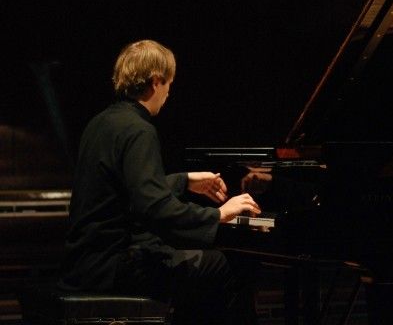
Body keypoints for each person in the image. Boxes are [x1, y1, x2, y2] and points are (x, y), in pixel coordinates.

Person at [58, 39, 261, 324]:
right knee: (229, 265)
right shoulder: (140, 130)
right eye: (168, 84)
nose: (168, 93)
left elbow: (125, 189)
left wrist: (184, 181)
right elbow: (154, 208)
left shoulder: (101, 122)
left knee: (197, 266)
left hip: (86, 263)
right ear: (156, 82)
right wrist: (218, 215)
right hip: (114, 266)